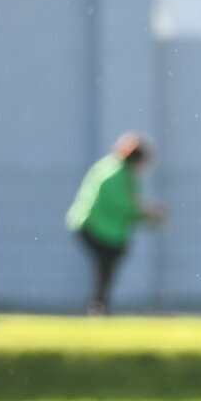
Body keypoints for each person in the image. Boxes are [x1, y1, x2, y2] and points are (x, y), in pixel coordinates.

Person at [66, 132, 166, 315]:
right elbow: (124, 207)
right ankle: (97, 306)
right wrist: (149, 215)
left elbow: (129, 206)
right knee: (108, 261)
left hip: (104, 227)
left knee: (110, 263)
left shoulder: (120, 172)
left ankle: (98, 306)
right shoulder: (115, 175)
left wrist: (146, 214)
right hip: (93, 226)